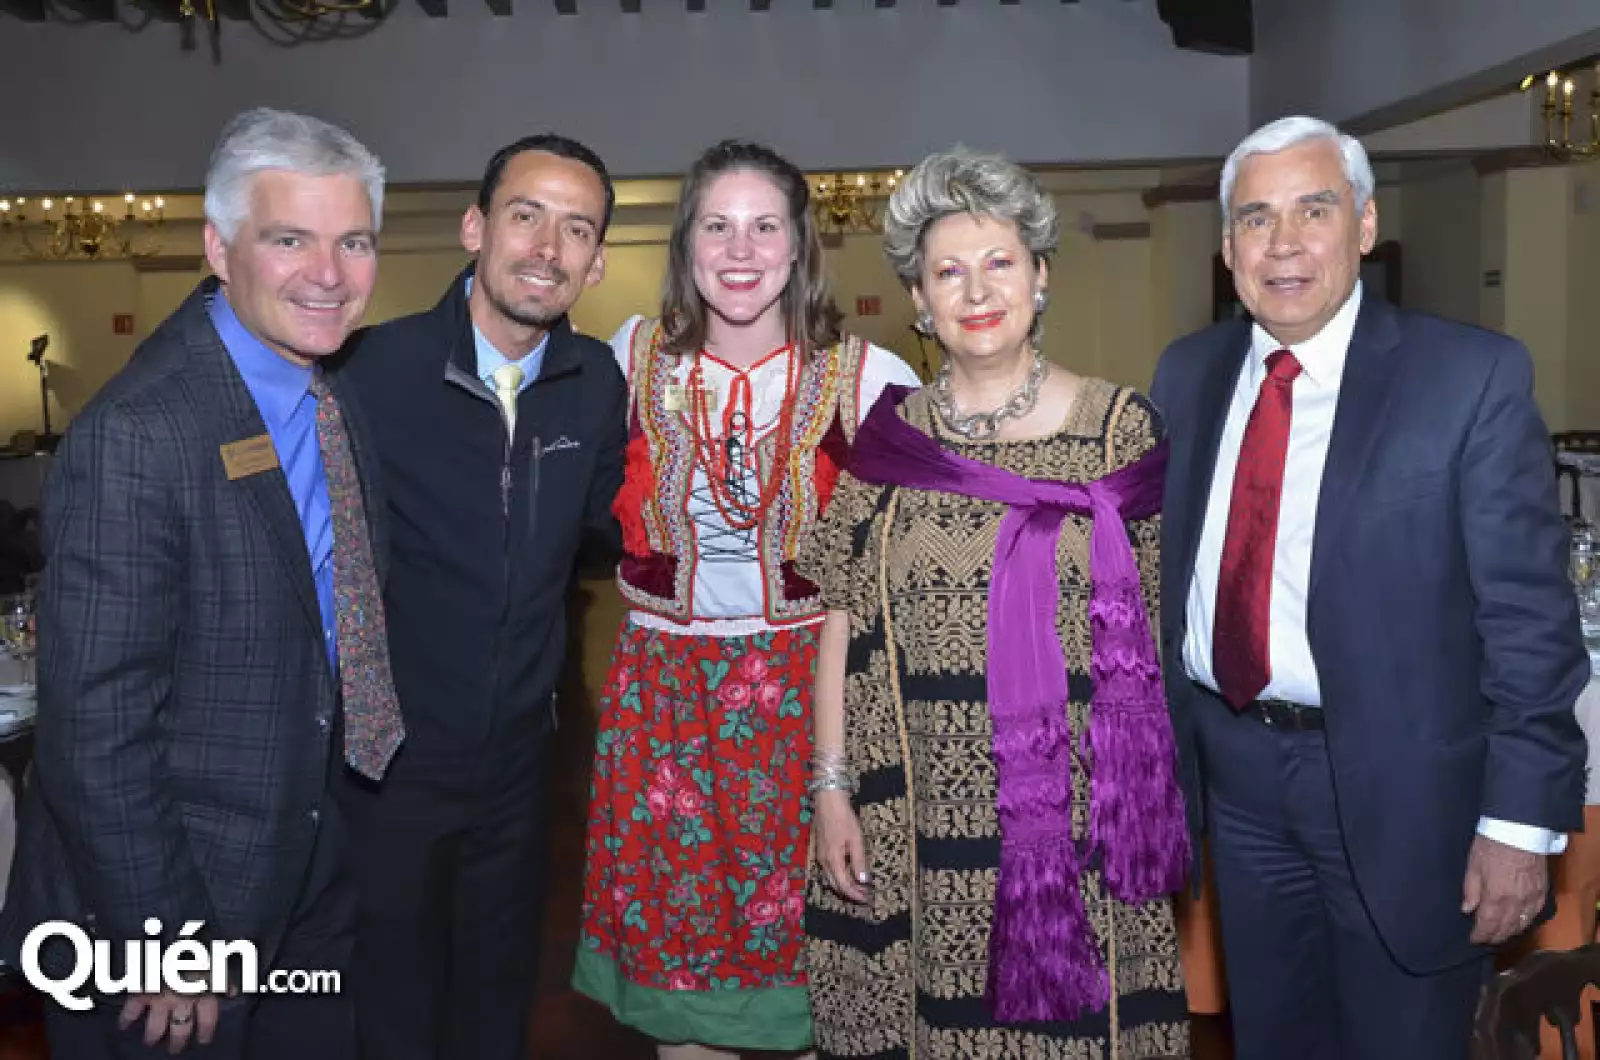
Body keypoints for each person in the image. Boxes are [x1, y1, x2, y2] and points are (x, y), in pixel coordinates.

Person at [1150, 115, 1589, 1060]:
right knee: (1273, 1039)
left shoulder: (1467, 378)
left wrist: (1519, 823)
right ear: (1229, 250)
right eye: (1256, 219)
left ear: (1364, 225)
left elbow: (1529, 626)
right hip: (1235, 780)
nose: (1285, 243)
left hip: (1408, 795)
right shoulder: (1185, 376)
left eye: (1315, 209)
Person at [0, 106, 393, 1058]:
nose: (329, 274)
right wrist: (167, 939)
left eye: (354, 241)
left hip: (309, 858)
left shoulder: (330, 389)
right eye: (289, 239)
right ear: (220, 249)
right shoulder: (141, 431)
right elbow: (95, 725)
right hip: (176, 902)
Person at [800, 146, 1191, 1059]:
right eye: (948, 271)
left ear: (1041, 278)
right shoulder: (889, 440)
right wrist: (831, 792)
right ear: (920, 302)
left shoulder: (1118, 431)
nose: (976, 290)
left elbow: (1168, 625)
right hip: (917, 816)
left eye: (999, 262)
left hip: (1082, 823)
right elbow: (841, 618)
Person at [573, 139, 920, 1059]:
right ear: (686, 245)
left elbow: (930, 550)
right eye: (717, 226)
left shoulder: (869, 379)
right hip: (665, 701)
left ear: (800, 246)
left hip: (812, 699)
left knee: (807, 977)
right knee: (682, 982)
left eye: (765, 226)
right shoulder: (627, 360)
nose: (740, 249)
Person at [333, 134, 626, 1060]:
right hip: (388, 767)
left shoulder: (594, 387)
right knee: (391, 1007)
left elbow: (602, 541)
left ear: (597, 259)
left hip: (518, 768)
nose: (547, 247)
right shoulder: (368, 372)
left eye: (576, 228)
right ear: (475, 227)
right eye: (526, 215)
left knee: (496, 1004)